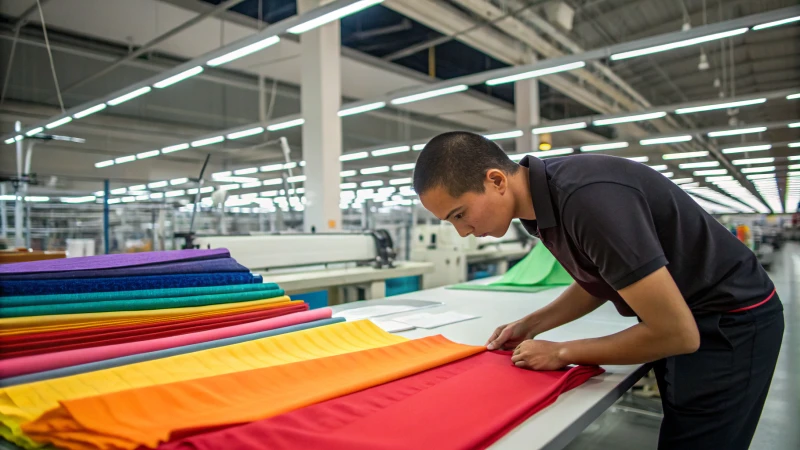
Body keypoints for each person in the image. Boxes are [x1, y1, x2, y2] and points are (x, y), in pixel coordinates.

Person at [413, 131, 784, 450]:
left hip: (731, 321)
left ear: (496, 181)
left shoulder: (585, 200)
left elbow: (678, 333)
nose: (462, 231)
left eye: (459, 214)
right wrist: (532, 325)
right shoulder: (543, 204)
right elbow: (602, 277)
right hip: (692, 313)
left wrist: (562, 351)